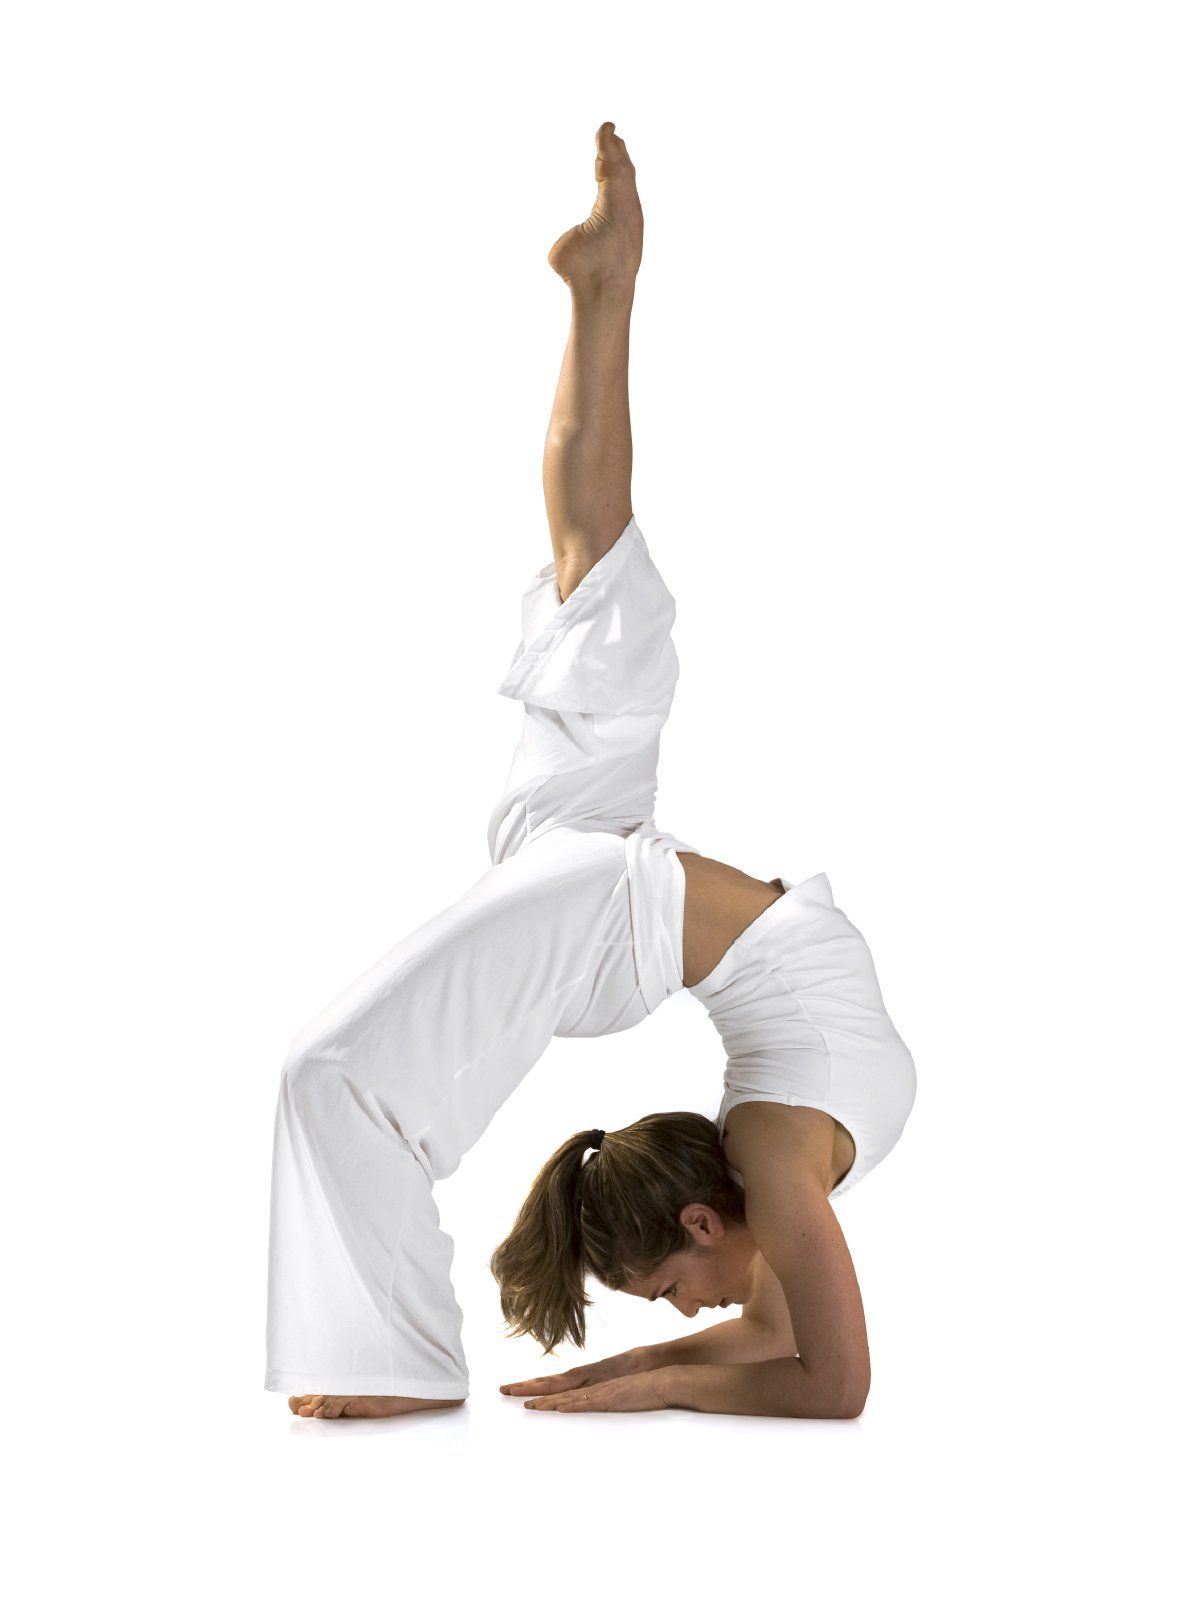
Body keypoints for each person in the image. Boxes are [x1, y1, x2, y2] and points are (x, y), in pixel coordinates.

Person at [267, 123, 916, 1421]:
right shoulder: (773, 1161)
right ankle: (385, 1364)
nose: (698, 1310)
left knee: (591, 573)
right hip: (614, 902)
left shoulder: (771, 1174)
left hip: (618, 869)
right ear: (700, 1215)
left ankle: (603, 295)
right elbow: (828, 1385)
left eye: (671, 1299)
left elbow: (771, 1352)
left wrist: (609, 1380)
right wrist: (634, 1387)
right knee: (326, 1074)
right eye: (677, 1293)